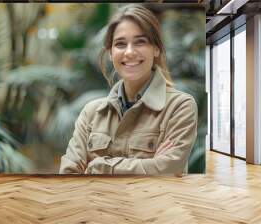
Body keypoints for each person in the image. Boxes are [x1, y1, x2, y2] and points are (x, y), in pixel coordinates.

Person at [59, 4, 198, 175]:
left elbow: (167, 170)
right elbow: (68, 175)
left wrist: (98, 166)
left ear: (156, 49)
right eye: (120, 44)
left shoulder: (180, 107)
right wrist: (150, 165)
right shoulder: (91, 113)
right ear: (110, 52)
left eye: (140, 42)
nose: (129, 52)